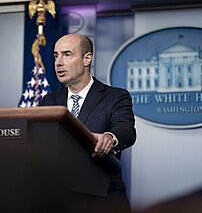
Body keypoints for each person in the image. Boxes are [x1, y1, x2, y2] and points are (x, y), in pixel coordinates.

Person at [41, 33, 136, 212]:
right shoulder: (49, 101)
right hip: (61, 199)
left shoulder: (115, 96)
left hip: (103, 199)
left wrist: (110, 137)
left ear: (87, 59)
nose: (58, 62)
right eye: (56, 55)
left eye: (67, 54)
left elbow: (125, 129)